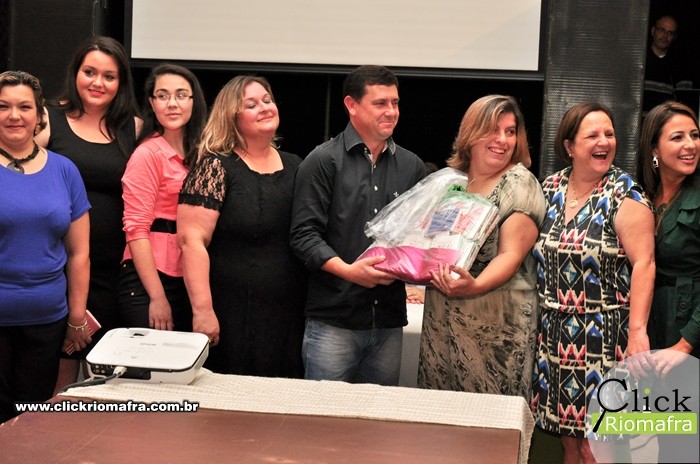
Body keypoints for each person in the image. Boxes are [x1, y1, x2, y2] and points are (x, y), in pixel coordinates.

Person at [531, 102, 655, 463]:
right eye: (593, 135)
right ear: (569, 146)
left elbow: (645, 264)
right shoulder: (549, 188)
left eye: (609, 134)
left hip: (605, 339)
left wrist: (638, 332)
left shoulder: (625, 195)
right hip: (555, 339)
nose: (604, 142)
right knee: (569, 444)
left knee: (596, 447)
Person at [290, 65, 425, 386]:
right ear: (351, 105)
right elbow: (303, 235)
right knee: (324, 414)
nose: (391, 111)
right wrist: (349, 272)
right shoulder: (322, 161)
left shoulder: (412, 166)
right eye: (380, 103)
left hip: (389, 320)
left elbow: (418, 236)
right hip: (334, 321)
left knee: (379, 417)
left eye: (395, 102)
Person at [177, 75, 307, 378]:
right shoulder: (215, 167)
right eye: (251, 104)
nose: (264, 107)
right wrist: (203, 311)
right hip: (230, 313)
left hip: (287, 315)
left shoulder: (297, 166)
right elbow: (191, 241)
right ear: (231, 116)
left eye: (267, 100)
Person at [417, 95, 546, 398]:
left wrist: (474, 286)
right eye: (492, 130)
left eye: (510, 132)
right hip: (442, 326)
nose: (502, 140)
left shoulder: (518, 183)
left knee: (486, 421)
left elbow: (511, 255)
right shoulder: (453, 184)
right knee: (438, 417)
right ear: (471, 133)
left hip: (494, 334)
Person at [35, 36, 141, 391]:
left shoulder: (134, 128)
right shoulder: (48, 118)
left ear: (121, 83)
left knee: (106, 382)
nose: (98, 83)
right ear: (75, 73)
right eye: (89, 72)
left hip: (114, 273)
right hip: (57, 267)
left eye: (109, 76)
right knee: (59, 376)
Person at [0, 71, 91, 423]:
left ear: (40, 115)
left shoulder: (65, 170)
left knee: (30, 420)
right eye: (3, 106)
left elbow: (79, 253)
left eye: (24, 107)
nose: (14, 115)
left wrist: (77, 317)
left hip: (47, 319)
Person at [119, 64, 207, 332]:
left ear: (194, 101)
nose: (172, 104)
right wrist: (157, 298)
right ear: (151, 103)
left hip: (188, 275)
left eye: (181, 95)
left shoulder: (204, 154)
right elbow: (136, 229)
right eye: (162, 95)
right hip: (150, 280)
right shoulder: (147, 154)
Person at [638, 101, 700, 464]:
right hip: (658, 334)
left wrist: (685, 344)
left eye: (694, 135)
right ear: (654, 150)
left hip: (689, 336)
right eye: (677, 137)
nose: (690, 145)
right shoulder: (643, 198)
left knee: (686, 447)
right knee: (670, 440)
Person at [642, 15, 693, 115]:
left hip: (665, 121)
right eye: (661, 30)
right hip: (637, 120)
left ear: (674, 37)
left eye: (670, 33)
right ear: (653, 31)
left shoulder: (680, 67)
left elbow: (685, 101)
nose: (665, 36)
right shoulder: (639, 60)